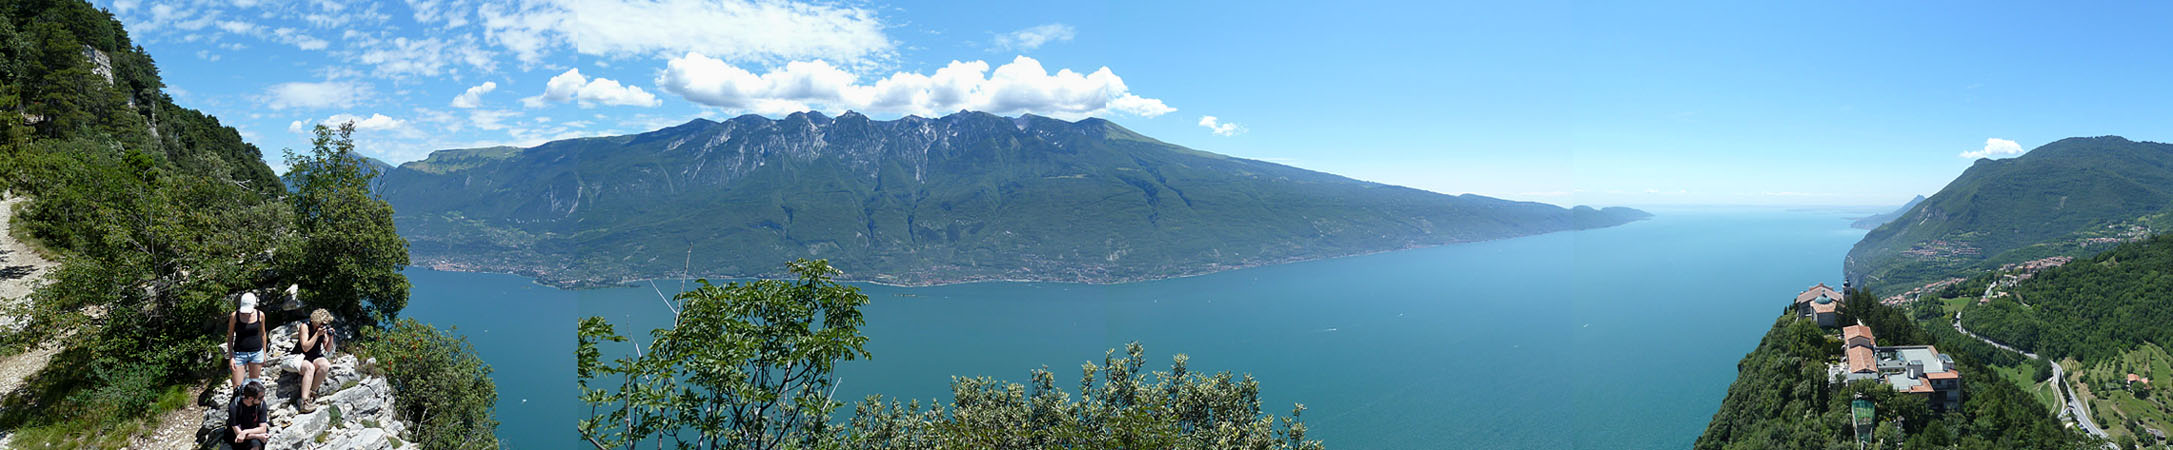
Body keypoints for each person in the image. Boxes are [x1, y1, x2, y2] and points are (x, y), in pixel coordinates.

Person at [287, 308, 336, 413]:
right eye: (322, 323)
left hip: (314, 355)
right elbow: (305, 347)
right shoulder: (305, 327)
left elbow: (327, 349)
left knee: (325, 365)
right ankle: (304, 401)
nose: (324, 325)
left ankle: (311, 393)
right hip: (300, 356)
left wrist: (330, 337)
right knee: (310, 368)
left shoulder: (323, 330)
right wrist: (316, 335)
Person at [225, 293, 268, 388]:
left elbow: (263, 333)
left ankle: (254, 402)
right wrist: (231, 357)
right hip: (239, 354)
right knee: (237, 386)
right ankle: (238, 402)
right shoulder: (234, 316)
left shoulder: (260, 315)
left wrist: (264, 353)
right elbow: (230, 337)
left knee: (254, 384)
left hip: (256, 353)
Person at [228, 382, 270, 450]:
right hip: (237, 437)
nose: (263, 399)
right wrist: (259, 436)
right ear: (250, 398)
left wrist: (245, 432)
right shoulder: (234, 407)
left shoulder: (261, 404)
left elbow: (263, 429)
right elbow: (239, 434)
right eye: (260, 398)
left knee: (255, 445)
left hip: (253, 432)